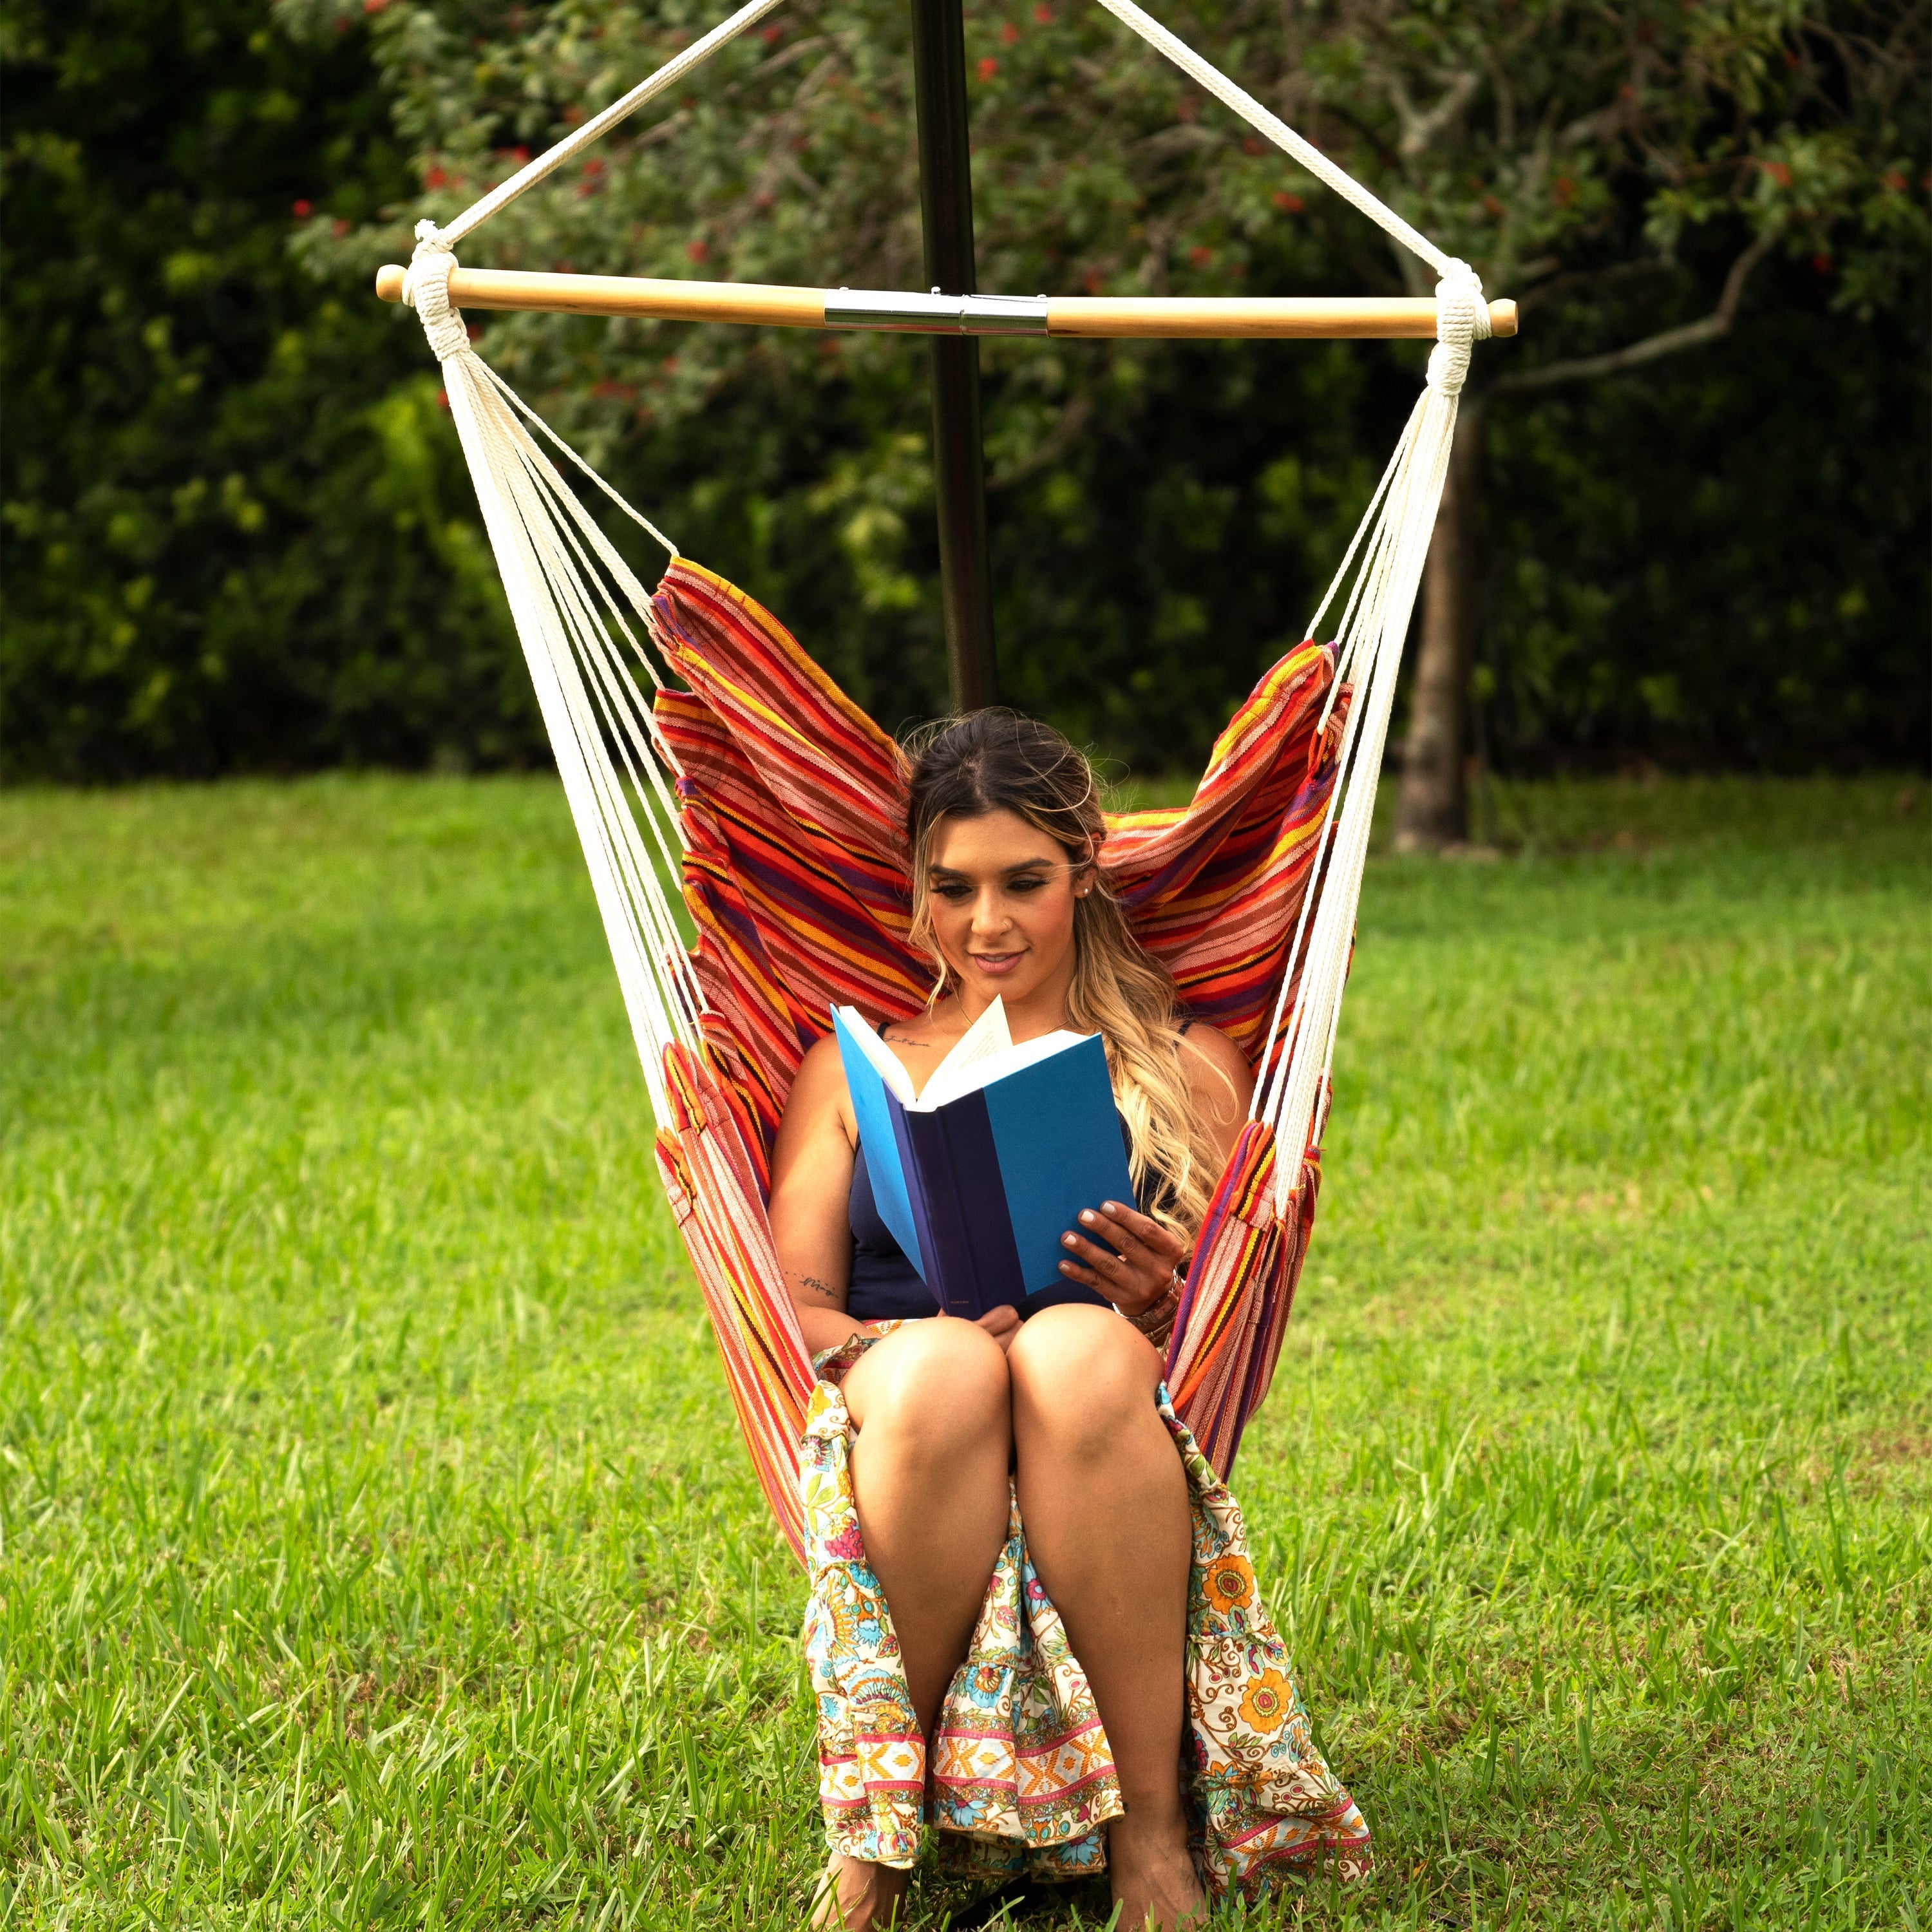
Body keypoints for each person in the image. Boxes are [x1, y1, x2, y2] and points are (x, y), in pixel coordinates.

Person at [769, 712, 1368, 1930]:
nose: (988, 924)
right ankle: (871, 1865)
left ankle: (1152, 1838)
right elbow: (793, 1301)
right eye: (955, 889)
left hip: (1102, 1402)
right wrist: (891, 1344)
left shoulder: (1181, 1061)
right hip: (905, 1399)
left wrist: (1170, 1290)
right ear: (917, 893)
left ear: (1084, 874)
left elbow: (1229, 1301)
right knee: (946, 1365)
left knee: (1076, 1347)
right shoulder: (856, 1067)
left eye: (1023, 883)